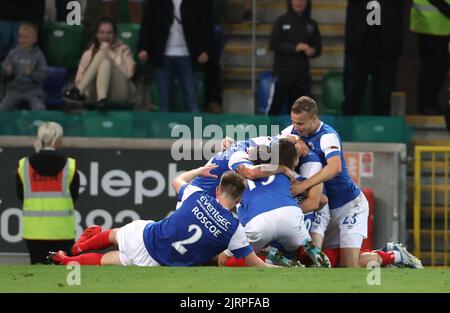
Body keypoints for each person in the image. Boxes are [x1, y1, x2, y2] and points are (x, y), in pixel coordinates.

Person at [48, 165, 276, 268]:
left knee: (114, 234)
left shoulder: (197, 196)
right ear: (238, 200)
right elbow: (254, 263)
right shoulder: (234, 228)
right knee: (107, 260)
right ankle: (67, 261)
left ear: (217, 190)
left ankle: (77, 250)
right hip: (158, 263)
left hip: (147, 238)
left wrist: (198, 171)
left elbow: (177, 181)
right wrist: (281, 268)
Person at [282, 96, 369, 268]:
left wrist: (303, 185)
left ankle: (390, 256)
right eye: (293, 122)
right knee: (315, 259)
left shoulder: (328, 136)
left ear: (313, 119)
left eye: (300, 123)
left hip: (348, 205)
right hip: (324, 207)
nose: (295, 127)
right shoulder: (291, 132)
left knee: (349, 265)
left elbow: (334, 167)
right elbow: (273, 147)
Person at [16, 122, 79, 265]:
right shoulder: (70, 165)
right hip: (62, 231)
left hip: (34, 232)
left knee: (38, 275)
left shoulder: (24, 165)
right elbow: (74, 195)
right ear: (57, 140)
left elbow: (20, 194)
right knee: (63, 275)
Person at [137, 0, 210, 112]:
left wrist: (204, 50)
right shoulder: (156, 2)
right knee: (165, 102)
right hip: (162, 56)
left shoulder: (195, 2)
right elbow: (147, 25)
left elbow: (203, 26)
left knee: (192, 100)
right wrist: (143, 48)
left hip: (187, 56)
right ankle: (165, 129)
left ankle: (196, 129)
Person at [342, 0, 405, 116]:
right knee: (352, 97)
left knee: (383, 99)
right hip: (358, 48)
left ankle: (381, 132)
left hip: (386, 49)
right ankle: (348, 132)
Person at [63, 17, 136, 110]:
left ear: (115, 34)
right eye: (102, 32)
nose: (105, 36)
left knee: (104, 55)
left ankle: (78, 91)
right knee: (104, 62)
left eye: (109, 32)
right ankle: (102, 100)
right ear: (97, 34)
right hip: (95, 94)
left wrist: (109, 53)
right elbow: (79, 78)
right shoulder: (88, 53)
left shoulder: (124, 49)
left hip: (119, 92)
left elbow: (129, 74)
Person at [191, 136, 295, 198]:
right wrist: (282, 168)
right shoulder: (238, 156)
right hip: (199, 197)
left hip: (210, 196)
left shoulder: (268, 143)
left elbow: (290, 139)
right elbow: (251, 173)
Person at [267, 0, 321, 115]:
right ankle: (269, 133)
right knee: (274, 109)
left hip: (301, 76)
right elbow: (273, 44)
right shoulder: (281, 21)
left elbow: (318, 48)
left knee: (299, 113)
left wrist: (312, 51)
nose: (299, 3)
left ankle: (295, 133)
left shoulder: (311, 24)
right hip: (281, 75)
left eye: (302, 0)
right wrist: (294, 48)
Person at [410, 0, 450, 115]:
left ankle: (430, 104)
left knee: (439, 68)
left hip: (440, 23)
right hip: (431, 23)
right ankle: (427, 106)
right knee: (431, 68)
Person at [0, 22, 47, 112]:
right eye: (20, 37)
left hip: (33, 91)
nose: (22, 40)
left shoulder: (39, 55)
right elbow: (3, 74)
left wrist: (32, 74)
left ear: (34, 39)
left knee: (39, 109)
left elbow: (43, 77)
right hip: (14, 91)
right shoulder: (12, 53)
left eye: (26, 37)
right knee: (2, 109)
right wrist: (7, 72)